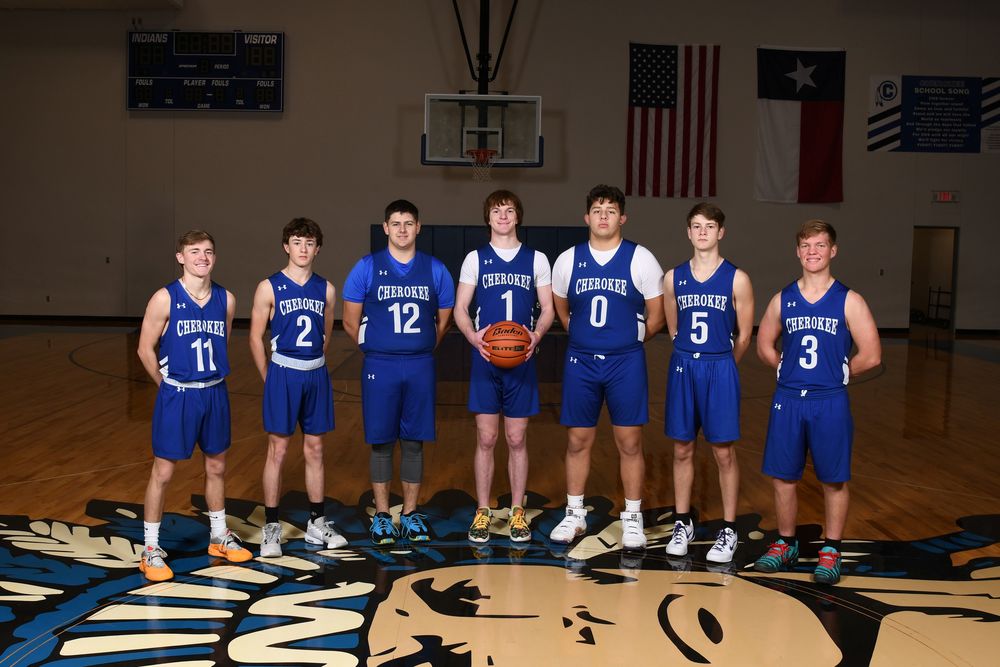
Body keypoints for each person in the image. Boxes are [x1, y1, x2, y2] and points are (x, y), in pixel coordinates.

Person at [754, 220, 881, 584]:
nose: (813, 252)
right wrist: (780, 364)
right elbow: (764, 343)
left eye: (820, 245)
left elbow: (871, 354)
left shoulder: (849, 300)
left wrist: (841, 372)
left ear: (833, 251)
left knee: (833, 479)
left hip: (829, 399)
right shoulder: (783, 298)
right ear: (798, 251)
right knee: (783, 477)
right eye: (806, 245)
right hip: (789, 398)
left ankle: (831, 550)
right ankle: (786, 544)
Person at [548, 185, 665, 550]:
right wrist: (587, 338)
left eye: (610, 210)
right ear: (586, 217)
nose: (603, 216)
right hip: (581, 360)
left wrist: (626, 340)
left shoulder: (640, 258)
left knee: (629, 441)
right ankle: (575, 513)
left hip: (625, 362)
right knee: (577, 439)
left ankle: (632, 518)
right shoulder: (568, 259)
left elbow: (657, 314)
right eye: (597, 209)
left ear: (622, 217)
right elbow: (562, 308)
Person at [136, 230, 251, 582]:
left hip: (215, 391)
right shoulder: (164, 298)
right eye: (194, 251)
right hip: (178, 393)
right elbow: (144, 349)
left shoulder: (226, 299)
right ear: (180, 257)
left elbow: (222, 343)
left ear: (215, 258)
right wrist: (167, 387)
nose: (203, 257)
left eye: (209, 251)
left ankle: (218, 536)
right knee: (164, 471)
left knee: (216, 466)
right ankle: (151, 549)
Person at [341, 200, 455, 545]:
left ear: (418, 228)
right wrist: (378, 348)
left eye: (409, 223)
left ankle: (409, 513)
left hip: (420, 364)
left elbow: (445, 317)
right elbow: (349, 319)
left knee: (414, 442)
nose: (403, 229)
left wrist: (419, 347)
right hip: (380, 365)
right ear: (386, 228)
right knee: (381, 443)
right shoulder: (366, 267)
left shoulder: (435, 269)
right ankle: (381, 515)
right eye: (396, 223)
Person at [452, 190, 555, 544]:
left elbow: (548, 308)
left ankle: (517, 512)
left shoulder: (537, 259)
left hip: (521, 358)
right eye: (497, 210)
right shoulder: (475, 259)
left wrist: (536, 335)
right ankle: (482, 511)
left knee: (516, 438)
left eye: (509, 210)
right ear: (488, 217)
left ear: (518, 216)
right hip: (486, 358)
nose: (503, 216)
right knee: (486, 437)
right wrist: (472, 337)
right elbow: (460, 308)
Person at [249, 218, 347, 558]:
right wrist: (269, 376)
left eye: (309, 243)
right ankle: (272, 527)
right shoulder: (269, 286)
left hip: (315, 374)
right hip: (283, 373)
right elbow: (255, 336)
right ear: (285, 246)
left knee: (316, 449)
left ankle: (317, 523)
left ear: (317, 249)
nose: (303, 249)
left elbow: (325, 335)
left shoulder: (327, 288)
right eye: (296, 242)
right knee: (277, 450)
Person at [662, 203, 754, 563]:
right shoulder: (673, 278)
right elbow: (673, 327)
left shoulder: (737, 278)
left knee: (723, 452)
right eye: (696, 226)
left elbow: (744, 336)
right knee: (682, 448)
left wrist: (726, 368)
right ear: (688, 232)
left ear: (721, 232)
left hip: (720, 366)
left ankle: (729, 529)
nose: (702, 232)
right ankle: (682, 523)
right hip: (684, 366)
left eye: (709, 226)